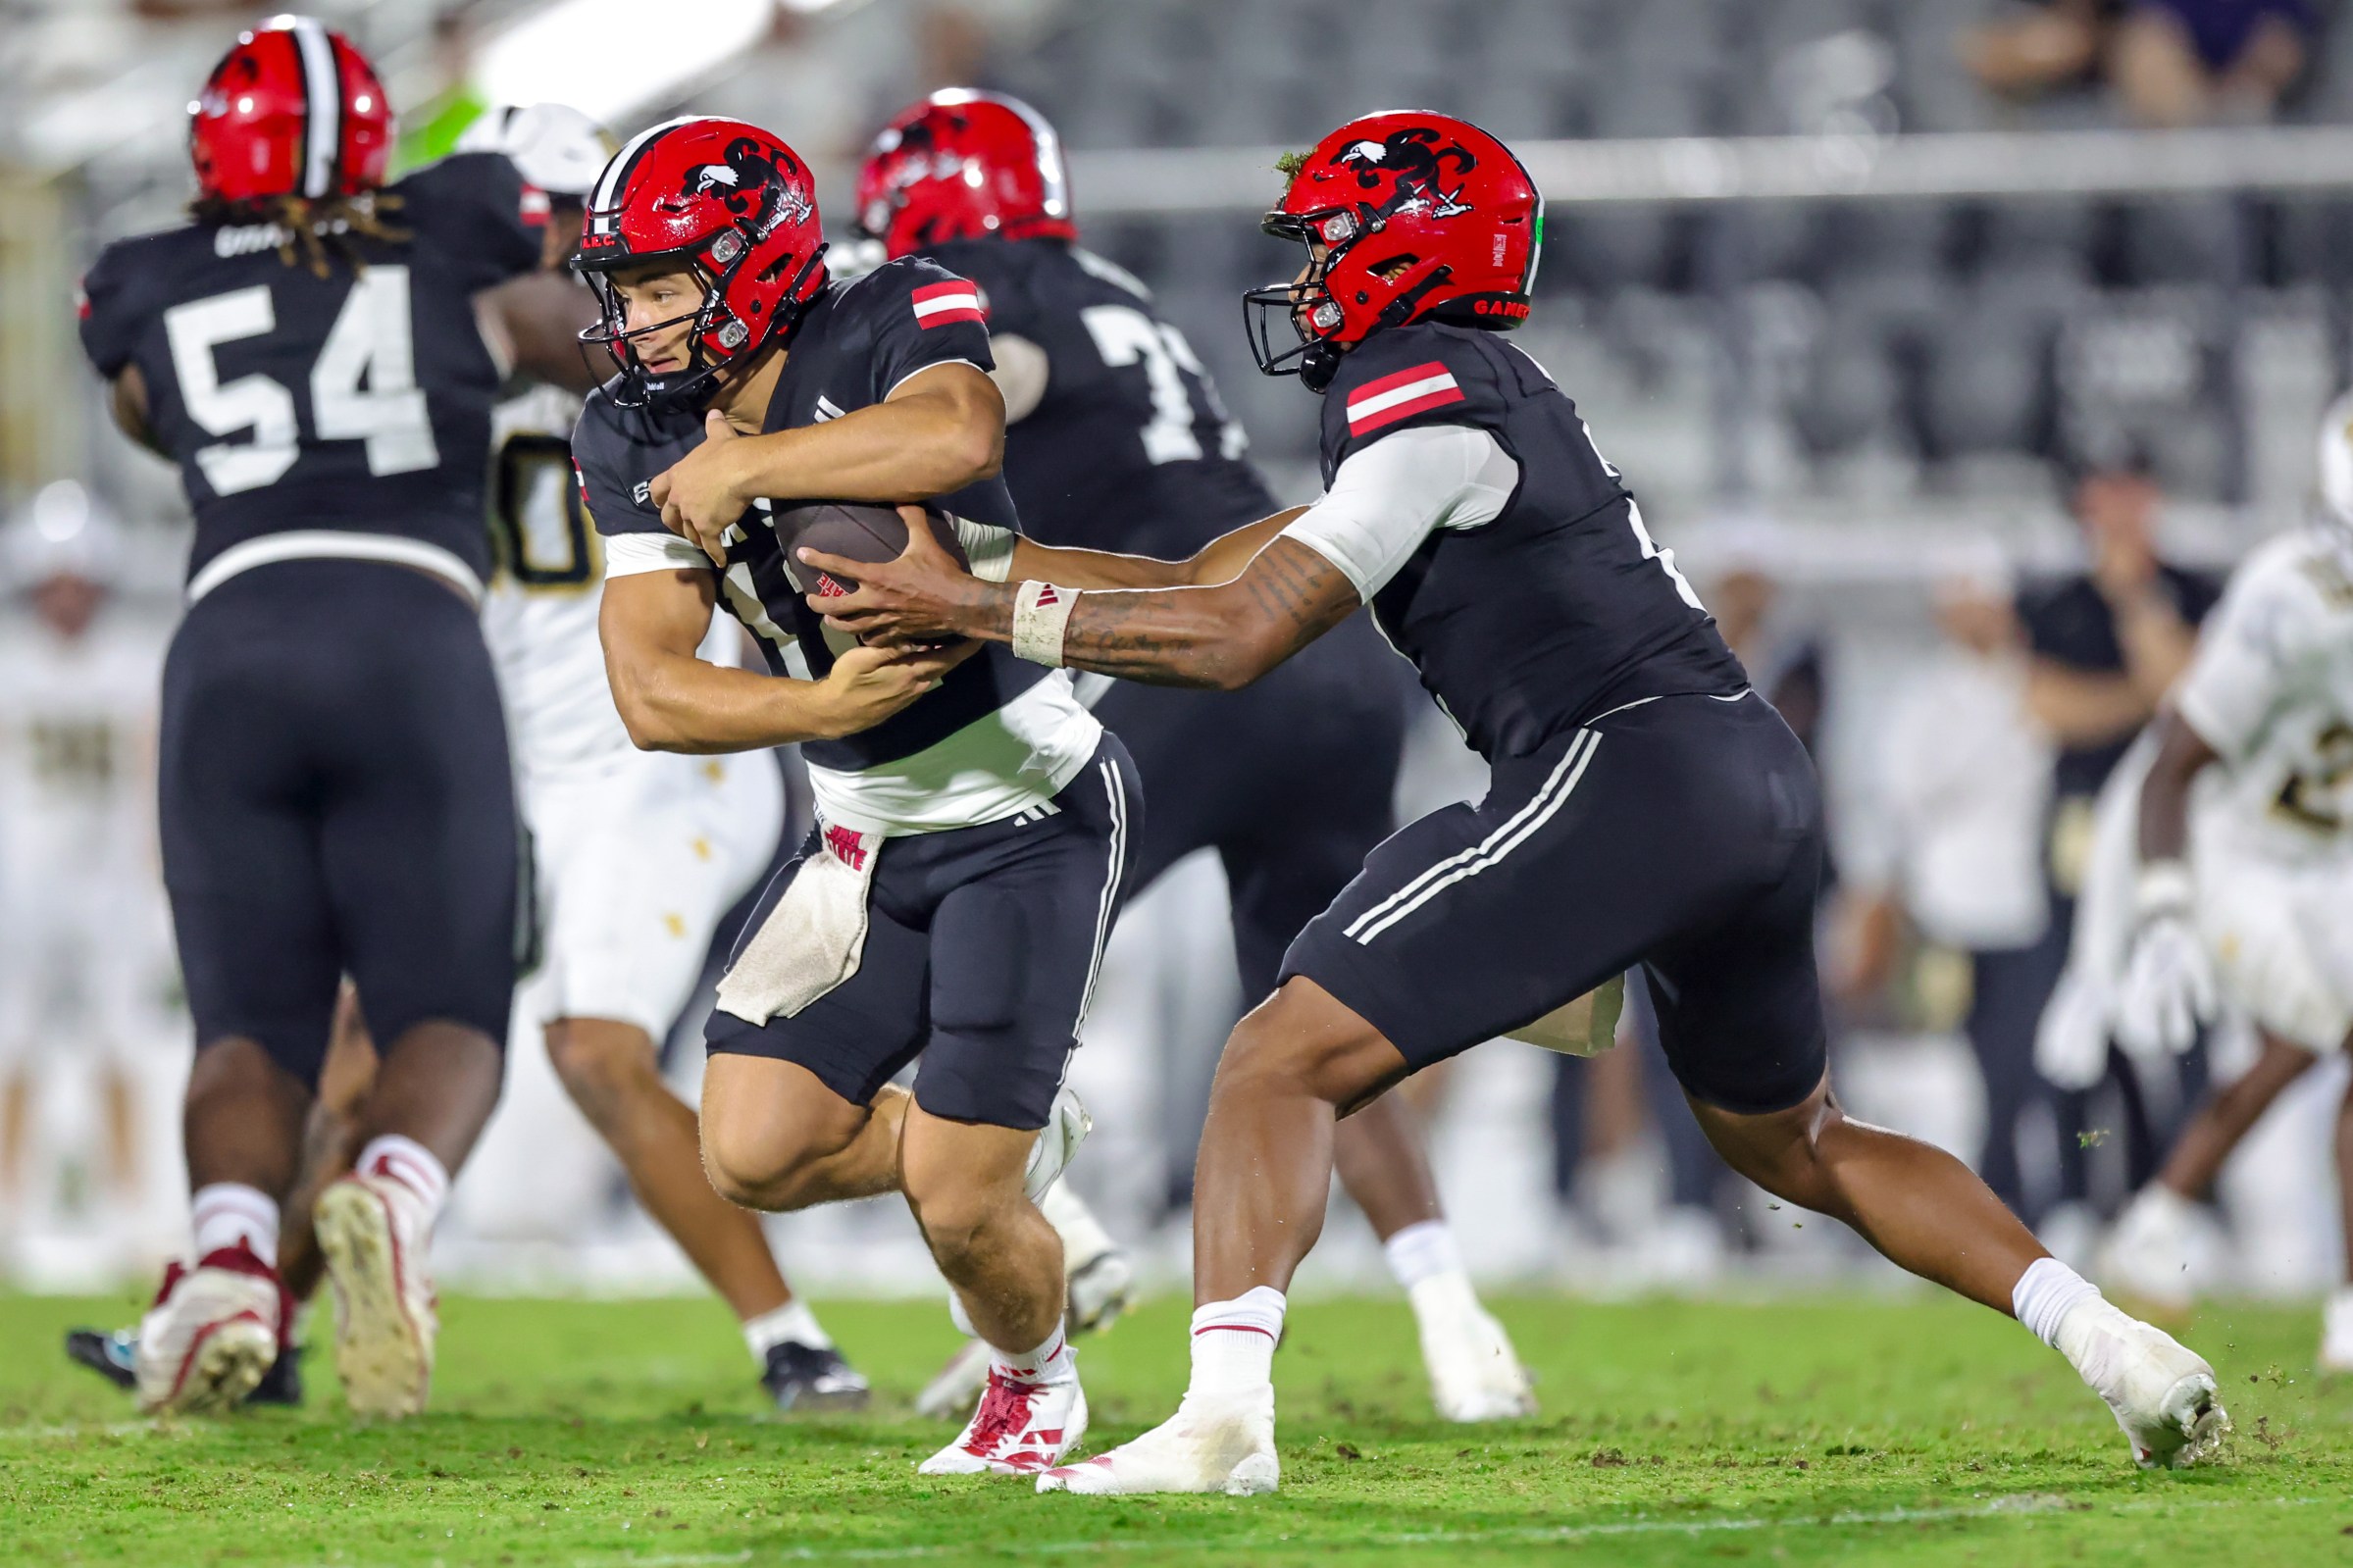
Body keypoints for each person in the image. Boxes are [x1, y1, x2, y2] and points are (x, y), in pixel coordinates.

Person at [807, 110, 2229, 1492]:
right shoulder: (1463, 393)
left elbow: (1240, 635)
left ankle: (1220, 1414)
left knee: (1272, 1056)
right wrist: (991, 576)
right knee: (1795, 1139)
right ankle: (2113, 1344)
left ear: (1399, 250)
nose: (1300, 273)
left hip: (1624, 765)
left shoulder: (1417, 385)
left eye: (1326, 240)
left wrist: (977, 612)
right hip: (1735, 775)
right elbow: (1200, 574)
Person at [851, 88, 1531, 1424]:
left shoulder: (973, 297)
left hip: (1191, 652)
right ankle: (1458, 1326)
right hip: (1320, 645)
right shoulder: (1114, 290)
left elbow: (973, 415)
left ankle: (1042, 1271)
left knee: (945, 943)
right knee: (1313, 1015)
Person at [569, 115, 1132, 1477]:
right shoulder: (626, 424)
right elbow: (650, 690)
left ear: (753, 263)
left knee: (956, 1201)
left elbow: (955, 428)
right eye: (624, 288)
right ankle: (993, 1138)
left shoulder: (896, 302)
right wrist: (811, 708)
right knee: (749, 1148)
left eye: (661, 284)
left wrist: (752, 464)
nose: (635, 319)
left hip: (1020, 802)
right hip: (857, 825)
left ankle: (1032, 1384)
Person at [75, 17, 558, 1416]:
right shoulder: (458, 228)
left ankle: (228, 1255)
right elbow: (559, 333)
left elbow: (150, 412)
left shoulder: (139, 275)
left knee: (246, 1024)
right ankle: (392, 1198)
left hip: (230, 637)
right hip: (410, 622)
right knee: (451, 1006)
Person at [467, 101, 866, 1410]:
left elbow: (554, 333)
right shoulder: (470, 355)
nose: (621, 302)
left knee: (594, 1051)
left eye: (647, 271)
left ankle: (790, 1339)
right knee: (374, 1035)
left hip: (669, 758)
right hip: (527, 762)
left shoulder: (667, 376)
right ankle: (247, 1304)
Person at [2095, 395, 2353, 1369]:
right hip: (2244, 862)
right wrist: (2163, 911)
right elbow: (2171, 765)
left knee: (2298, 1044)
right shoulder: (2285, 602)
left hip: (2332, 862)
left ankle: (2158, 1215)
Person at [2019, 463, 2221, 1226]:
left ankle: (2189, 1199)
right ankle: (2076, 1192)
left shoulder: (2193, 590)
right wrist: (2149, 688)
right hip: (2081, 831)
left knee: (2182, 1014)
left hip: (2177, 830)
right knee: (2079, 1014)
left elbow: (2195, 698)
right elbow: (2048, 707)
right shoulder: (2057, 601)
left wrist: (2139, 607)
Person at [1837, 551, 2056, 1221]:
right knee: (1944, 1074)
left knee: (2015, 1069)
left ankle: (2007, 1199)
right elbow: (1897, 800)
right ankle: (1930, 1206)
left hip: (2021, 908)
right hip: (1944, 911)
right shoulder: (1924, 697)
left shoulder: (2035, 684)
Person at [0, 486, 173, 1254]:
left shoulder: (134, 659)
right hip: (24, 871)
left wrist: (153, 862)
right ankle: (9, 1196)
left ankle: (129, 1198)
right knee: (14, 1035)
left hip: (107, 874)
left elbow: (151, 764)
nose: (67, 595)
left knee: (119, 1035)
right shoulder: (12, 660)